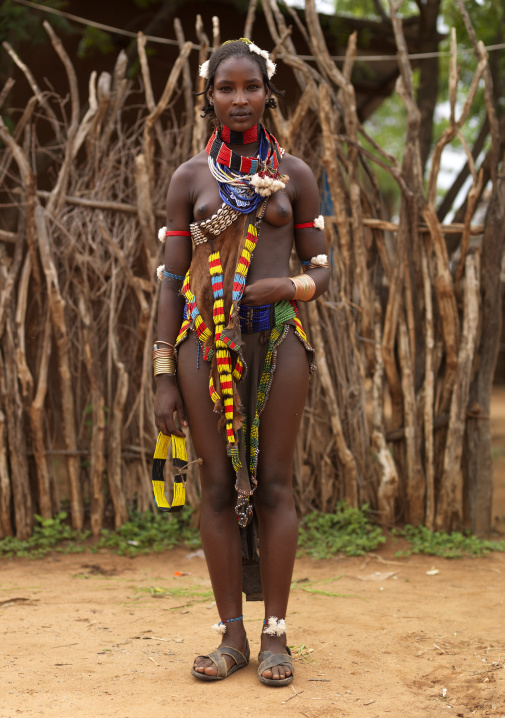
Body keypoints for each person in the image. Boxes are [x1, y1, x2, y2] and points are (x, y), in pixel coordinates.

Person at [153, 38, 330, 687]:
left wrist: (285, 288)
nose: (238, 99)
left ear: (266, 93)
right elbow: (171, 283)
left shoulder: (300, 175)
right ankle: (230, 636)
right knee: (220, 487)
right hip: (205, 346)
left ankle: (275, 636)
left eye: (249, 87)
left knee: (277, 483)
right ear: (210, 95)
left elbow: (322, 268)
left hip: (279, 340)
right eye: (225, 89)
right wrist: (164, 374)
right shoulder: (190, 180)